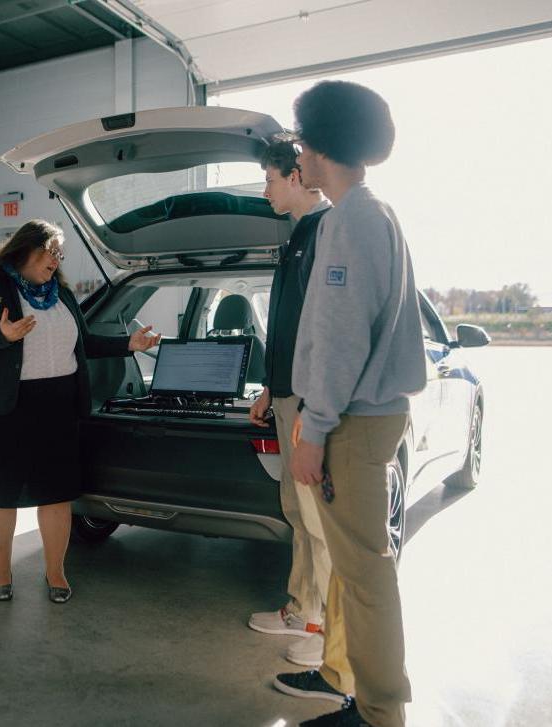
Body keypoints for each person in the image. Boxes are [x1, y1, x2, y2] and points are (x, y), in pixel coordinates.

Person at [270, 82, 427, 727]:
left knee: (364, 574)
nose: (297, 158)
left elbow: (339, 339)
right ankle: (348, 683)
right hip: (363, 417)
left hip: (353, 424)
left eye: (302, 144)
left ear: (318, 147)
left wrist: (315, 431)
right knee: (355, 570)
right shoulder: (372, 212)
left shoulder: (349, 220)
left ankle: (379, 711)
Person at [0, 220, 160, 603]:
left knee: (57, 494)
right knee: (0, 493)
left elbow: (84, 343)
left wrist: (128, 344)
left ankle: (55, 571)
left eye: (60, 254)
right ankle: (1, 570)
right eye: (53, 251)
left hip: (60, 404)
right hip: (5, 406)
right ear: (28, 248)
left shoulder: (59, 293)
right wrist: (2, 335)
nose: (57, 259)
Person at [248, 139, 333, 670]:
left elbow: (326, 329)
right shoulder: (297, 236)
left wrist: (310, 402)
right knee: (297, 512)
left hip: (309, 396)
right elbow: (286, 326)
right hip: (288, 392)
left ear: (296, 177)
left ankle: (326, 628)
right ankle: (302, 608)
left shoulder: (326, 233)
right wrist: (270, 387)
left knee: (319, 518)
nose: (265, 189)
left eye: (271, 180)